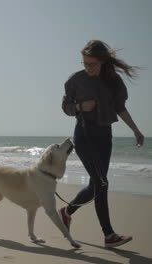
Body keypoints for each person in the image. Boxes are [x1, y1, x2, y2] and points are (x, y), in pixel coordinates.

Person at [60, 40, 145, 248]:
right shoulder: (75, 80)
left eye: (93, 64)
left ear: (103, 62)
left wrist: (135, 129)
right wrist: (81, 106)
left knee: (96, 183)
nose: (88, 68)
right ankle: (109, 235)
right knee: (101, 183)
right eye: (85, 63)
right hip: (84, 135)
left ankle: (66, 211)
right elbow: (66, 107)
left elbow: (120, 108)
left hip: (105, 136)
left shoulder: (114, 82)